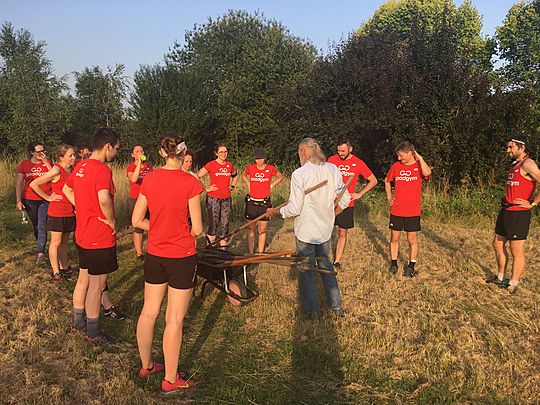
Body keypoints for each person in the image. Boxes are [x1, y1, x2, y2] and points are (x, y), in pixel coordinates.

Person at [132, 133, 202, 394]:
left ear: (162, 153)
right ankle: (171, 380)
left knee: (149, 311)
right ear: (183, 153)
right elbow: (196, 228)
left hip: (155, 254)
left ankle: (147, 365)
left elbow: (137, 220)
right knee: (174, 319)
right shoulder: (190, 182)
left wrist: (158, 227)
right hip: (181, 256)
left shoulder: (149, 179)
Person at [267, 138, 350, 319]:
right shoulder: (332, 169)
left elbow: (294, 208)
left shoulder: (300, 174)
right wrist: (332, 215)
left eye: (298, 152)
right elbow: (345, 200)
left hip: (306, 232)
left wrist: (276, 213)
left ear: (303, 151)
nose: (299, 156)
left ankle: (313, 312)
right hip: (324, 230)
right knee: (326, 266)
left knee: (306, 270)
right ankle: (336, 308)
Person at [63, 127, 121, 344]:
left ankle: (79, 324)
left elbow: (67, 190)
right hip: (99, 235)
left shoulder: (81, 165)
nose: (116, 153)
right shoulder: (102, 169)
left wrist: (82, 206)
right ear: (107, 146)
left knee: (83, 280)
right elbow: (104, 199)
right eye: (116, 149)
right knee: (96, 286)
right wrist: (112, 219)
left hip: (83, 234)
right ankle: (93, 333)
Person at [489, 136, 540, 294]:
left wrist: (532, 203)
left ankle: (513, 283)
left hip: (519, 214)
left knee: (515, 250)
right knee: (497, 244)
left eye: (511, 147)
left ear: (521, 148)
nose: (508, 150)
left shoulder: (528, 164)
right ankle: (500, 276)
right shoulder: (515, 164)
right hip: (506, 211)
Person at [327, 139, 378, 268]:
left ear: (350, 149)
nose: (340, 153)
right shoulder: (331, 160)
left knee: (342, 232)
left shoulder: (358, 163)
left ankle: (337, 261)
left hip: (346, 204)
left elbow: (373, 180)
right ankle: (321, 258)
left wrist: (359, 194)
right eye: (338, 150)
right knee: (324, 231)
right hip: (329, 202)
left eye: (343, 151)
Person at [384, 141, 431, 277]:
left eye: (401, 155)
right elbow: (387, 181)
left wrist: (420, 158)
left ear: (410, 152)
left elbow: (427, 173)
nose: (399, 158)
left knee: (412, 239)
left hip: (412, 210)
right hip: (397, 209)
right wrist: (389, 197)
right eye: (398, 156)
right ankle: (393, 264)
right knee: (394, 237)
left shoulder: (419, 166)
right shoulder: (396, 166)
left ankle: (411, 266)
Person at [29, 145, 76, 281]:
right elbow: (34, 184)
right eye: (70, 155)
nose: (73, 158)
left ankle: (64, 267)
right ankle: (56, 272)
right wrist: (48, 197)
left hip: (69, 211)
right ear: (62, 157)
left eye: (74, 155)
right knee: (55, 242)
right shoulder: (57, 169)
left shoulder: (71, 169)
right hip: (57, 211)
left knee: (64, 242)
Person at [16, 141, 53, 265]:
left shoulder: (47, 163)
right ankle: (41, 246)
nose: (42, 154)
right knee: (36, 225)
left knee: (42, 224)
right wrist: (18, 200)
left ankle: (41, 253)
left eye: (43, 151)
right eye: (38, 151)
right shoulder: (24, 164)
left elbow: (55, 176)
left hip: (45, 199)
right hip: (29, 199)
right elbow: (19, 183)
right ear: (32, 152)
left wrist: (46, 162)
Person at [241, 148, 283, 254]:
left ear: (265, 158)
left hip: (264, 203)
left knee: (262, 229)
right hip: (251, 202)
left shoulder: (270, 168)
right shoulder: (250, 168)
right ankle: (251, 253)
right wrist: (248, 184)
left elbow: (280, 177)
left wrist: (272, 185)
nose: (259, 161)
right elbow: (243, 175)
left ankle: (260, 253)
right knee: (251, 229)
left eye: (261, 158)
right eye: (256, 159)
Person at [197, 143, 238, 247]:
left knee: (225, 224)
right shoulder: (211, 164)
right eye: (221, 152)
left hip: (226, 198)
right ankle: (210, 249)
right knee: (214, 225)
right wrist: (206, 188)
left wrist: (232, 185)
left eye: (225, 152)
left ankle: (222, 250)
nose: (223, 154)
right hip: (213, 198)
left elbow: (235, 176)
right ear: (216, 153)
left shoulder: (229, 165)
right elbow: (197, 176)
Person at [127, 145, 153, 259]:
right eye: (137, 151)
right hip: (136, 198)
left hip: (150, 199)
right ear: (133, 155)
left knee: (152, 224)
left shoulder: (149, 167)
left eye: (141, 151)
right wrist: (138, 164)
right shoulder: (131, 167)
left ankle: (152, 249)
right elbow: (133, 179)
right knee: (139, 227)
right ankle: (139, 253)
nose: (140, 153)